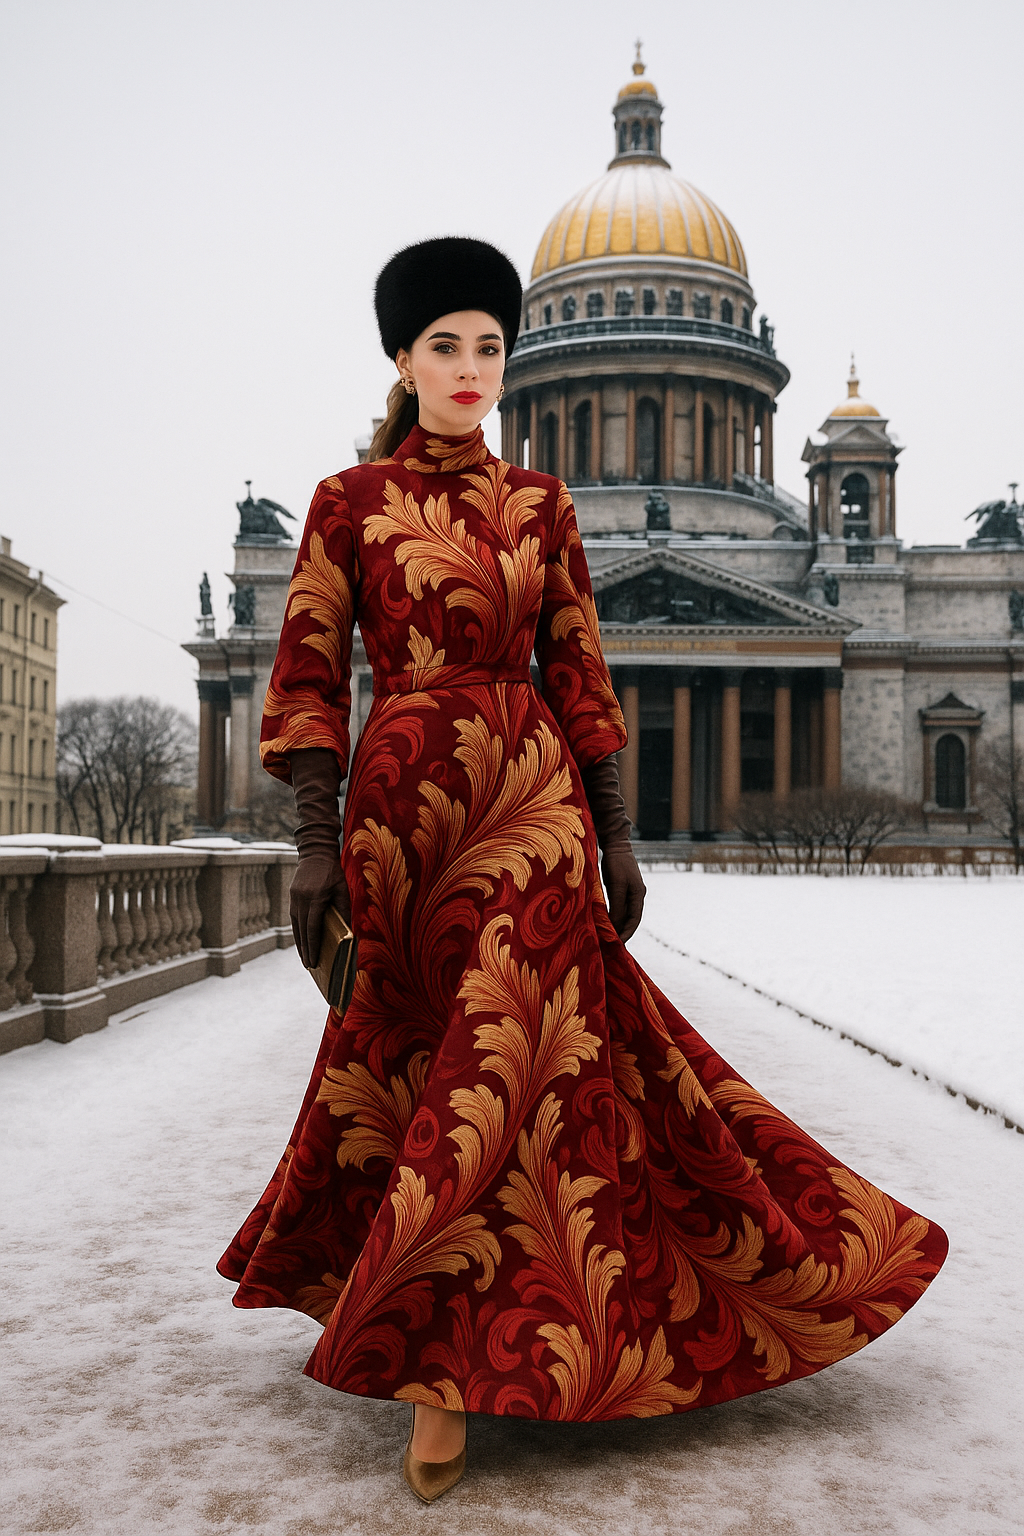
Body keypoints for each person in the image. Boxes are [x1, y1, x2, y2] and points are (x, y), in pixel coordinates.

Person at [218, 237, 947, 1504]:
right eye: (444, 343)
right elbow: (304, 679)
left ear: (518, 368)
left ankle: (450, 1376)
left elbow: (582, 680)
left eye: (490, 347)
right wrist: (308, 843)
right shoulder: (347, 504)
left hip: (534, 810)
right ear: (402, 356)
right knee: (418, 1068)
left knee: (525, 1069)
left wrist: (611, 831)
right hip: (405, 826)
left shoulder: (543, 507)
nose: (468, 368)